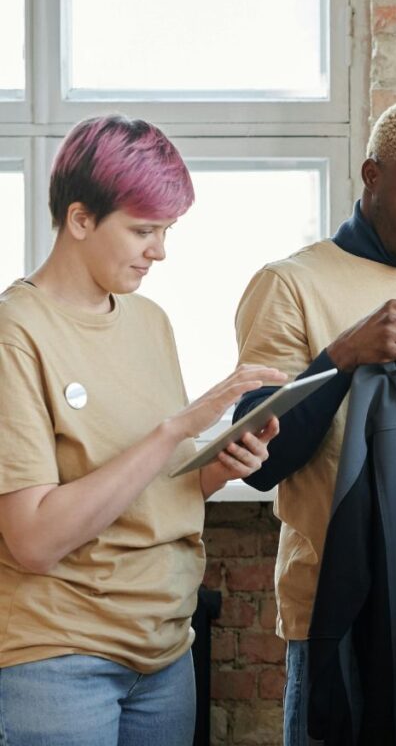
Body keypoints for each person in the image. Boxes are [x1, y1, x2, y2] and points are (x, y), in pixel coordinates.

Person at [0, 115, 286, 746]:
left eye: (166, 230)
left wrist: (218, 464)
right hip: (57, 661)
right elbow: (34, 540)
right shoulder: (15, 332)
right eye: (143, 230)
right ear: (79, 220)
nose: (159, 250)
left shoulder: (150, 320)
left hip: (164, 653)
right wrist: (175, 428)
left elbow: (151, 493)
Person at [232, 99, 396, 744]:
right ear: (372, 176)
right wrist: (341, 357)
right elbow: (257, 462)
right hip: (330, 604)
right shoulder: (289, 285)